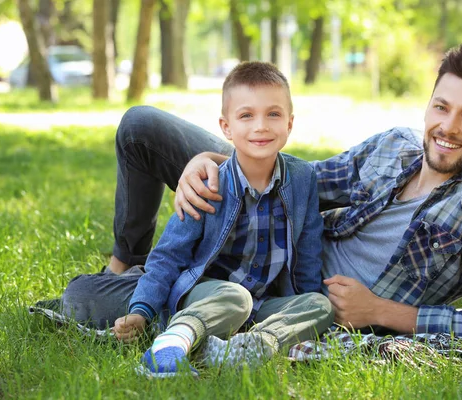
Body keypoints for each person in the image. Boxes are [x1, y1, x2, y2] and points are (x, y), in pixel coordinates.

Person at [62, 44, 462, 348]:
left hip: (296, 300)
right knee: (143, 127)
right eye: (442, 107)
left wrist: (379, 312)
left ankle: (161, 293)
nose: (447, 127)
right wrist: (208, 162)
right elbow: (304, 180)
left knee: (83, 299)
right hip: (270, 228)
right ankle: (124, 263)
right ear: (429, 105)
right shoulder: (397, 145)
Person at [61, 62, 333, 377]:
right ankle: (171, 344)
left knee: (318, 304)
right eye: (246, 115)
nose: (261, 126)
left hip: (262, 307)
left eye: (273, 114)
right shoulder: (208, 182)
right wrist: (141, 310)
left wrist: (305, 308)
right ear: (226, 127)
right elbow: (168, 255)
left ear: (289, 124)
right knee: (236, 296)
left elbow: (308, 252)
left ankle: (251, 346)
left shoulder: (302, 178)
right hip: (210, 293)